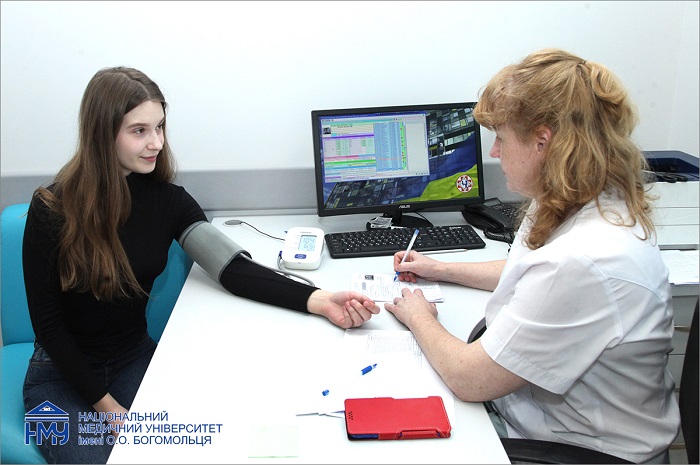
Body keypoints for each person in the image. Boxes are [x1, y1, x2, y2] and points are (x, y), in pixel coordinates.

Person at [22, 67, 380, 464]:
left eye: (160, 127)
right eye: (139, 131)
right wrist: (108, 408)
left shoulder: (168, 201)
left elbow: (233, 270)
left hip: (132, 360)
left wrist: (321, 299)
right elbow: (48, 327)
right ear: (101, 133)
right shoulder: (50, 208)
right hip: (56, 376)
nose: (156, 142)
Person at [385, 48, 679, 464]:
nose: (494, 152)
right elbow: (526, 271)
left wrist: (420, 317)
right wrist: (441, 268)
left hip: (580, 452)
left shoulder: (586, 258)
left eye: (502, 138)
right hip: (538, 418)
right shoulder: (575, 200)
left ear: (543, 142)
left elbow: (469, 379)